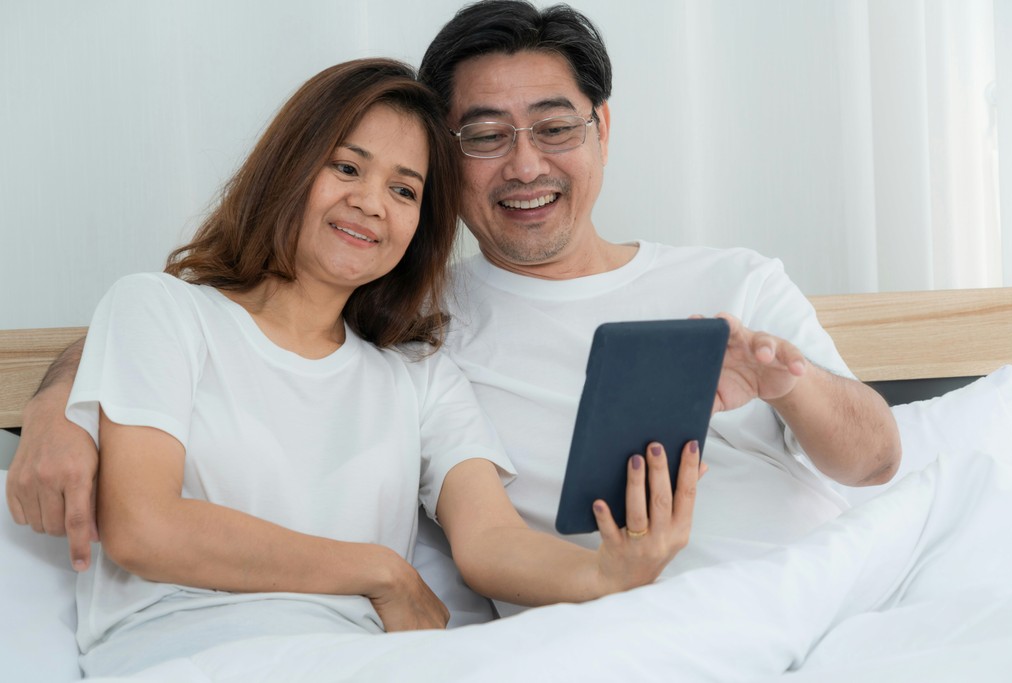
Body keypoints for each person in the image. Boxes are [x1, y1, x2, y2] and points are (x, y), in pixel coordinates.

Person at [7, 0, 899, 619]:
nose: (524, 164)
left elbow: (876, 458)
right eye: (482, 136)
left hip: (810, 598)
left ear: (603, 130)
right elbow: (218, 324)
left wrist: (789, 384)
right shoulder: (424, 326)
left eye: (555, 126)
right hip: (595, 631)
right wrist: (59, 402)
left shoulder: (735, 278)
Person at [28, 57, 701, 676]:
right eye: (347, 169)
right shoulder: (161, 310)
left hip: (362, 658)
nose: (373, 203)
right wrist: (382, 572)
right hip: (187, 651)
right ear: (289, 166)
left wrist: (606, 573)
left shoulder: (418, 375)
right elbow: (144, 525)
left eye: (405, 191)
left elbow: (490, 539)